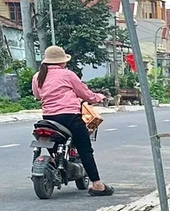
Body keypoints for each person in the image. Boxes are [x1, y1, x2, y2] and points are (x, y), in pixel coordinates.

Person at [32, 45, 113, 196]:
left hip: (48, 119)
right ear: (62, 62)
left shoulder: (38, 76)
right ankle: (97, 185)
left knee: (54, 146)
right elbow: (86, 94)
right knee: (85, 149)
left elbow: (37, 96)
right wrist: (99, 97)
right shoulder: (68, 74)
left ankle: (57, 164)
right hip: (70, 118)